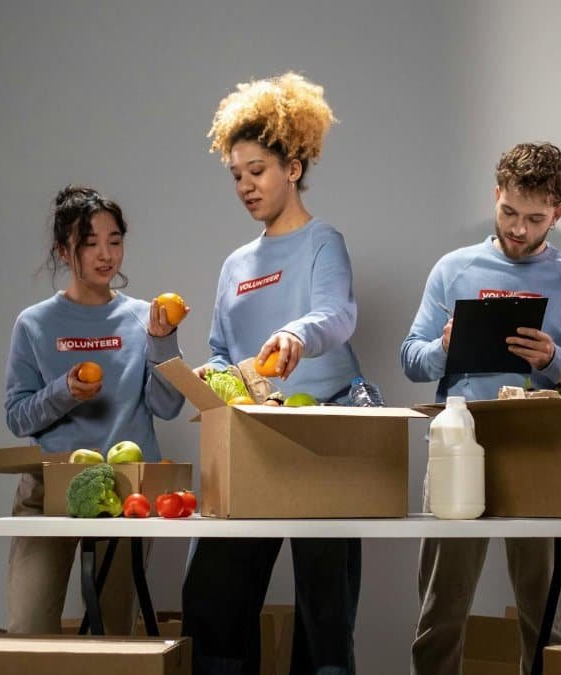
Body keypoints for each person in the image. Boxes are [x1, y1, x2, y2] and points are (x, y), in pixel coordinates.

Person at [401, 142, 561, 675]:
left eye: (535, 218)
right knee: (440, 612)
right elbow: (410, 359)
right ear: (496, 195)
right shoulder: (453, 269)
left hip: (539, 453)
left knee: (546, 615)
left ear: (557, 214)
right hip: (456, 444)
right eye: (509, 212)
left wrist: (555, 358)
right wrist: (444, 347)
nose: (519, 229)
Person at [181, 72, 362, 675]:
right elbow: (220, 348)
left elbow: (337, 314)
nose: (245, 186)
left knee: (323, 613)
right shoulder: (236, 264)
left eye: (257, 170)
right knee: (211, 601)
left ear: (295, 165)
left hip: (321, 444)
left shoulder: (321, 243)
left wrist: (295, 334)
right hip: (251, 443)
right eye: (236, 174)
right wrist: (209, 375)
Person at [4, 185, 189, 634]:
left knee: (113, 639)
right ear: (64, 251)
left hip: (127, 491)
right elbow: (17, 417)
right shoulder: (34, 323)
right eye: (90, 243)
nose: (106, 254)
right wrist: (65, 390)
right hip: (48, 488)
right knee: (27, 632)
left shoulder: (144, 316)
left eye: (115, 240)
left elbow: (168, 406)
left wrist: (163, 341)